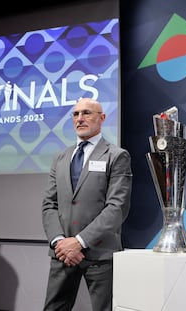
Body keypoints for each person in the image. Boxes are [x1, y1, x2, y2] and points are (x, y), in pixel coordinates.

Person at [41, 98, 132, 311]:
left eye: (87, 113)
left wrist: (80, 241)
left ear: (102, 118)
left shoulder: (117, 156)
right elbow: (49, 204)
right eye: (76, 114)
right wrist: (59, 242)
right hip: (62, 253)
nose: (80, 118)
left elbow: (116, 207)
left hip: (100, 254)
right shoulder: (60, 157)